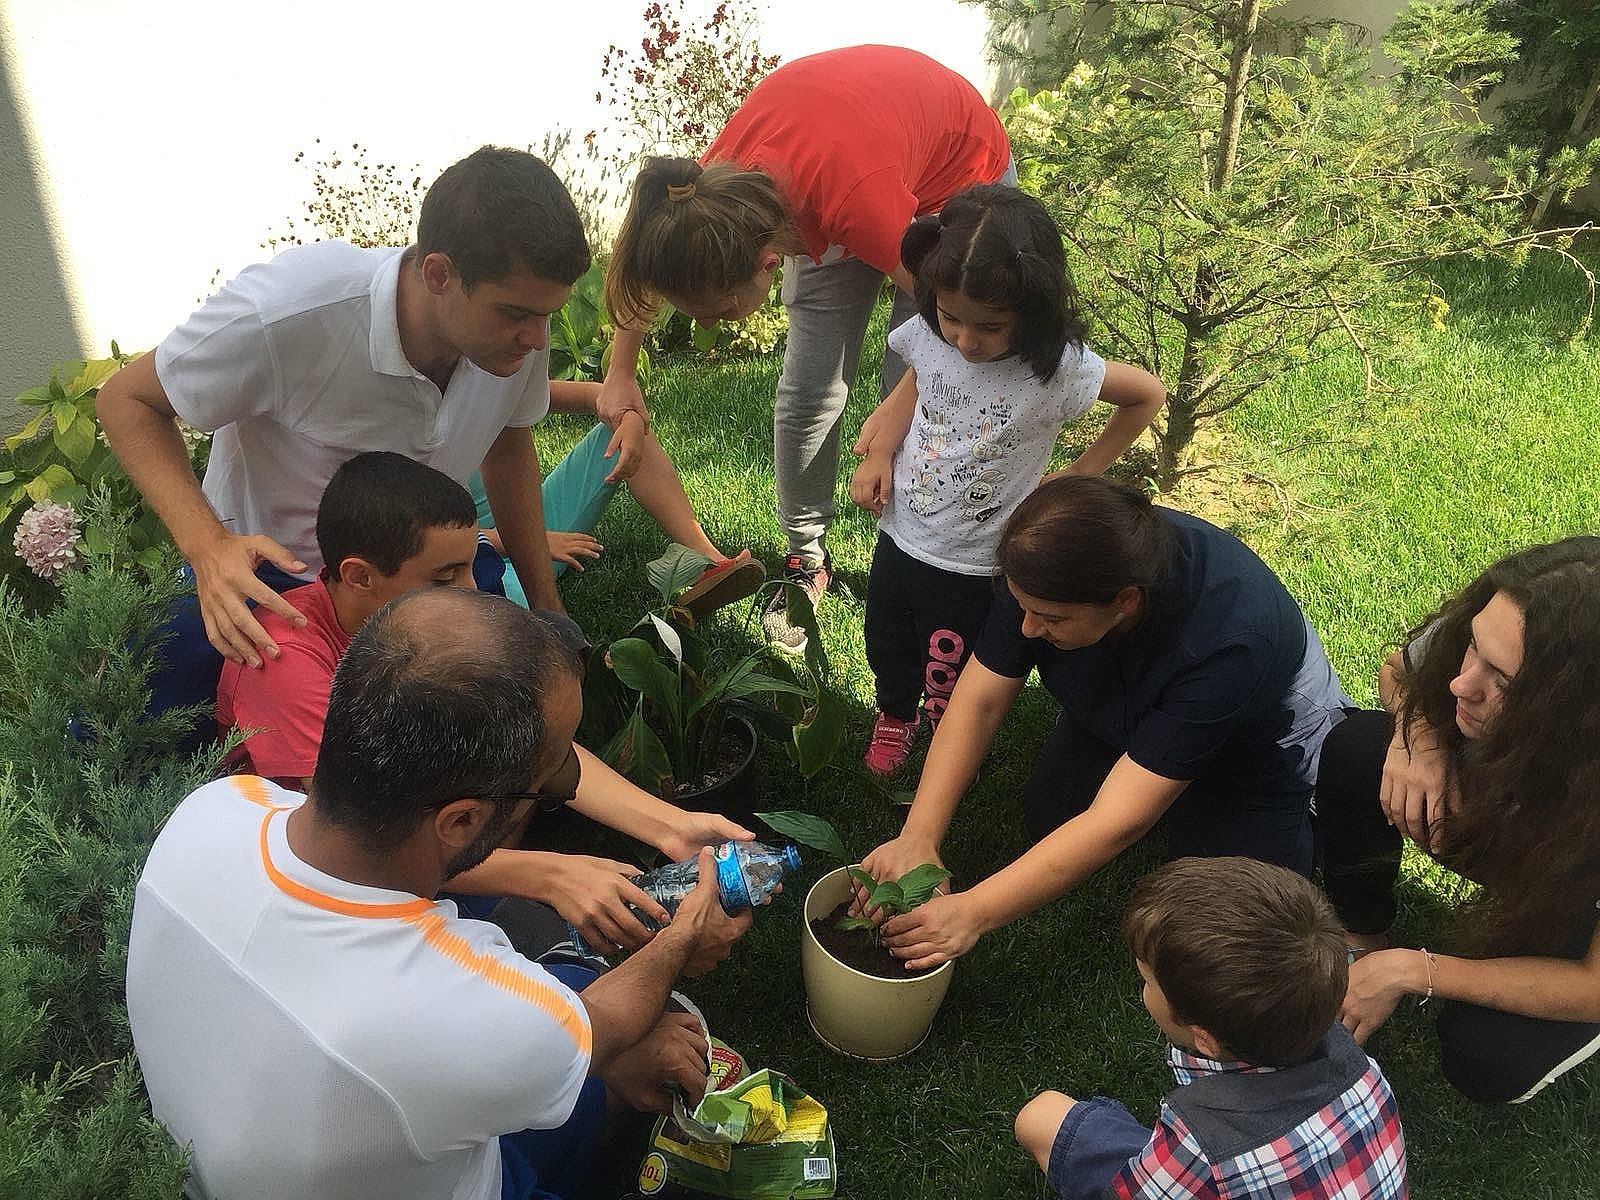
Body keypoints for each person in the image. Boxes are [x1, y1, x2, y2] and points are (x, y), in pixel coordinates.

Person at [129, 587, 750, 1200]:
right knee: (635, 1031)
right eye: (551, 781)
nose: (563, 784)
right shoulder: (445, 999)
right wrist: (680, 937)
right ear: (461, 820)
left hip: (282, 1141)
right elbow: (594, 1028)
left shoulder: (214, 810)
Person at [217, 450, 754, 955]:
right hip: (328, 894)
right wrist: (552, 875)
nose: (472, 591)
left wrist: (670, 826)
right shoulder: (285, 660)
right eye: (445, 576)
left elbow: (533, 742)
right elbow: (365, 842)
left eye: (471, 565)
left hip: (425, 828)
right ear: (359, 576)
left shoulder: (422, 630)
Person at [100, 145, 596, 679]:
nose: (537, 338)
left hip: (429, 580)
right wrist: (209, 549)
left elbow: (508, 442)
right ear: (439, 275)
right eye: (516, 313)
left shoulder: (517, 330)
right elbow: (126, 400)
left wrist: (546, 608)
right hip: (277, 590)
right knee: (167, 715)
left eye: (547, 314)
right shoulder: (291, 310)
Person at [602, 45, 1015, 651]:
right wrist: (620, 370)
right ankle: (806, 558)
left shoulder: (857, 202)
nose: (707, 324)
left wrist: (902, 405)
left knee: (929, 399)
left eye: (718, 311)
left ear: (769, 262)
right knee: (808, 393)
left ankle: (908, 557)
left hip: (955, 184)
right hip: (852, 162)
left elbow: (951, 328)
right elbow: (646, 262)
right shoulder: (707, 197)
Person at [860, 476, 1351, 969]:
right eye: (1022, 608)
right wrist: (919, 836)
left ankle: (1307, 809)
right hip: (1132, 691)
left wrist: (972, 913)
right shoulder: (1043, 568)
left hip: (1257, 746)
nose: (1027, 628)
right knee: (1051, 815)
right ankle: (1158, 763)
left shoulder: (1232, 639)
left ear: (1126, 601)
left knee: (1241, 911)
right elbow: (981, 701)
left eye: (1051, 619)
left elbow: (1117, 821)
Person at [847, 185, 1164, 773]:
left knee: (950, 654)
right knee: (888, 635)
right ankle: (895, 712)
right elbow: (918, 382)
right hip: (902, 530)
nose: (966, 341)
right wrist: (880, 451)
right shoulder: (932, 335)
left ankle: (948, 725)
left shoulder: (1058, 369)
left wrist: (1078, 475)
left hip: (979, 557)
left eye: (990, 326)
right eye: (951, 318)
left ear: (1033, 309)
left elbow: (1146, 395)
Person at [1317, 536, 1600, 1104]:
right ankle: (1360, 935)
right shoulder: (1505, 625)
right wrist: (1419, 744)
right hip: (1512, 820)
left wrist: (1416, 970)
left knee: (1487, 1057)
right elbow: (1399, 671)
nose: (1461, 684)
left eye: (1503, 682)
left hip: (1575, 875)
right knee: (1358, 749)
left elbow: (1595, 986)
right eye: (1473, 646)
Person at [1014, 857, 1407, 1199]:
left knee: (1041, 1118)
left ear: (1205, 1038)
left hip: (1195, 1170)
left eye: (1148, 981)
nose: (1142, 990)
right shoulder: (1364, 1073)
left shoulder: (1200, 1144)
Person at [466, 378, 763, 614]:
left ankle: (706, 561)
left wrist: (627, 415)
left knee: (621, 431)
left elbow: (597, 395)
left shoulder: (488, 376)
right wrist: (530, 542)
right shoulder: (434, 399)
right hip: (470, 560)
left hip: (524, 519)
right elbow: (436, 539)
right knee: (502, 618)